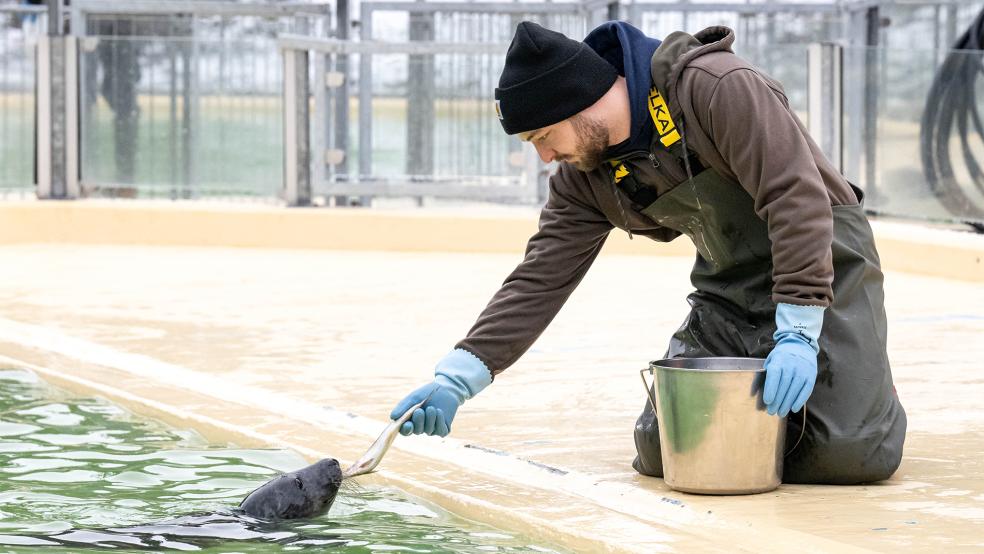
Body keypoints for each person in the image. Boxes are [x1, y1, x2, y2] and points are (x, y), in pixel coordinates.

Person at [390, 21, 907, 484]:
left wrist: (796, 330)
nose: (545, 155)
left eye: (543, 136)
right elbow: (540, 277)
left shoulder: (714, 88)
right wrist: (459, 376)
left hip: (825, 267)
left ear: (579, 101)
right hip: (729, 284)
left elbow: (795, 198)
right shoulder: (584, 178)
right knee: (666, 449)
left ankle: (860, 388)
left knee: (851, 454)